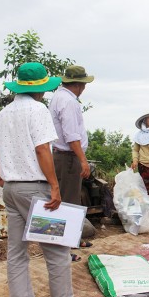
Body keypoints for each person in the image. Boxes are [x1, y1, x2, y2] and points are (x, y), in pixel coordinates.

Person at [0, 62, 92, 297]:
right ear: (41, 88)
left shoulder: (4, 113)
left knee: (17, 252)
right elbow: (43, 150)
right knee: (56, 250)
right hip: (35, 191)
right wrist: (54, 186)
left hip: (11, 190)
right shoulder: (37, 110)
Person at [49, 65, 96, 260]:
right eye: (83, 84)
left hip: (65, 156)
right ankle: (63, 250)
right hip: (68, 157)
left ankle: (72, 239)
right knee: (66, 202)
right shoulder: (68, 102)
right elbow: (71, 136)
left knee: (72, 200)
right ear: (79, 85)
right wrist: (83, 161)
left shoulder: (60, 97)